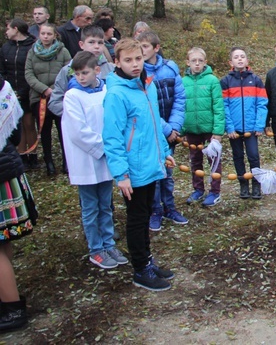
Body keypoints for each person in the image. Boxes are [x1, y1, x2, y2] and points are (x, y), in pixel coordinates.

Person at [103, 38, 175, 292]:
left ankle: (147, 261)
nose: (135, 64)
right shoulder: (116, 94)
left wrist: (164, 151)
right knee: (136, 218)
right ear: (117, 62)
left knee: (145, 214)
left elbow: (155, 123)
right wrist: (120, 174)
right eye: (128, 60)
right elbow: (112, 138)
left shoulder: (147, 86)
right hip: (132, 170)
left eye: (138, 59)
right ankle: (140, 270)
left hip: (151, 163)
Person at [61, 51, 127, 270]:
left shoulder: (106, 91)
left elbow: (113, 119)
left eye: (85, 73)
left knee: (106, 205)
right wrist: (104, 147)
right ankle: (95, 249)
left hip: (106, 157)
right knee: (90, 208)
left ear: (97, 71)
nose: (81, 77)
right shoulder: (72, 96)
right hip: (87, 159)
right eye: (77, 73)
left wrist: (114, 144)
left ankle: (108, 244)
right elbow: (78, 131)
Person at [137, 32, 188, 231]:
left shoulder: (170, 68)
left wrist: (174, 128)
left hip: (170, 132)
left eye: (145, 47)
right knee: (155, 174)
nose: (142, 51)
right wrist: (165, 129)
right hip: (152, 131)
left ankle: (169, 207)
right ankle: (155, 210)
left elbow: (180, 99)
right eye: (139, 47)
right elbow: (146, 107)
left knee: (167, 172)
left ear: (156, 48)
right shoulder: (139, 73)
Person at [0, 75, 37, 332]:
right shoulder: (3, 87)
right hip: (7, 168)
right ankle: (8, 296)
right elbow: (14, 135)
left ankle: (11, 308)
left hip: (2, 174)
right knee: (3, 242)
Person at [221, 47, 268, 200]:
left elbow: (262, 103)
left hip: (251, 129)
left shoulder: (255, 80)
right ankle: (243, 183)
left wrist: (259, 125)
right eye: (236, 57)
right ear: (231, 62)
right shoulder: (226, 81)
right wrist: (229, 127)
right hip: (234, 129)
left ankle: (256, 183)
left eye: (242, 56)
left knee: (253, 155)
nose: (240, 59)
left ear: (247, 60)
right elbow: (224, 106)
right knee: (238, 156)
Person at [24, 23, 71, 176]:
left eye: (49, 34)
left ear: (54, 35)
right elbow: (29, 74)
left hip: (59, 97)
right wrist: (44, 89)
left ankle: (67, 162)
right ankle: (49, 162)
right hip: (40, 98)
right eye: (43, 33)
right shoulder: (32, 52)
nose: (45, 36)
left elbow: (69, 71)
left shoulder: (63, 51)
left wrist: (56, 90)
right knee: (44, 131)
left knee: (62, 130)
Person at [182, 47, 225, 206]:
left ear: (205, 62)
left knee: (214, 160)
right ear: (188, 62)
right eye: (194, 61)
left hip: (210, 130)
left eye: (200, 61)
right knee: (195, 160)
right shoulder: (183, 82)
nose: (197, 64)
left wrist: (218, 131)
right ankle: (198, 189)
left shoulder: (212, 81)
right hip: (192, 129)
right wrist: (181, 128)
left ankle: (215, 192)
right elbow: (181, 107)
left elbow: (218, 107)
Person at [48, 25, 114, 118]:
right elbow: (55, 102)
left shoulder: (112, 70)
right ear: (81, 44)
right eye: (91, 42)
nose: (96, 46)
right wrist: (76, 113)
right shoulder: (68, 70)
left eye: (100, 43)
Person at [0, 19, 38, 168]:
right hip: (10, 92)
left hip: (27, 89)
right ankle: (21, 155)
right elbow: (2, 70)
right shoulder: (5, 47)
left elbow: (32, 69)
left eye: (8, 29)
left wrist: (24, 90)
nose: (6, 32)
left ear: (16, 29)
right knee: (16, 124)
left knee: (29, 123)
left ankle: (33, 154)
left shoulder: (32, 45)